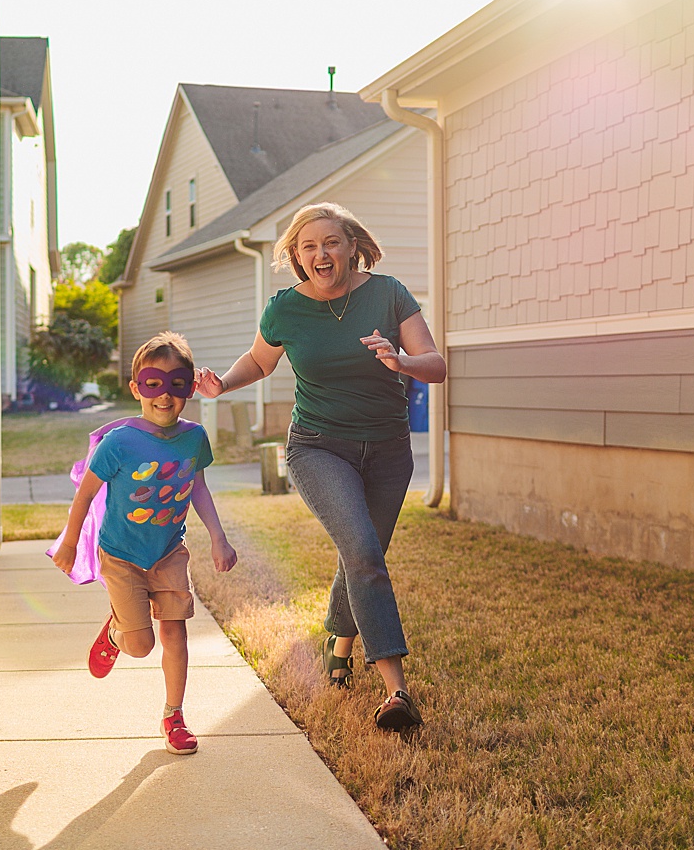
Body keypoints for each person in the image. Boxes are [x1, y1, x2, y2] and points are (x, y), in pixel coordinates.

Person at [196, 202, 445, 731]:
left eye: (331, 242)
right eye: (308, 246)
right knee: (363, 552)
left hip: (388, 450)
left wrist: (400, 361)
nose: (321, 253)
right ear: (297, 256)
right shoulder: (285, 309)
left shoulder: (388, 294)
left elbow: (436, 364)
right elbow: (260, 360)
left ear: (352, 246)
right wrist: (223, 385)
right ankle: (397, 691)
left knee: (362, 553)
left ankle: (340, 643)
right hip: (318, 447)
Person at [51, 331, 238, 755]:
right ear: (137, 388)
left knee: (175, 633)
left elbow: (198, 488)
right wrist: (69, 542)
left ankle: (174, 715)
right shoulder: (119, 443)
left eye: (176, 384)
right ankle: (117, 630)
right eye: (154, 384)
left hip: (169, 552)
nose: (165, 395)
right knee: (140, 646)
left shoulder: (194, 438)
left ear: (190, 388)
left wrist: (218, 538)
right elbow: (86, 494)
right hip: (121, 556)